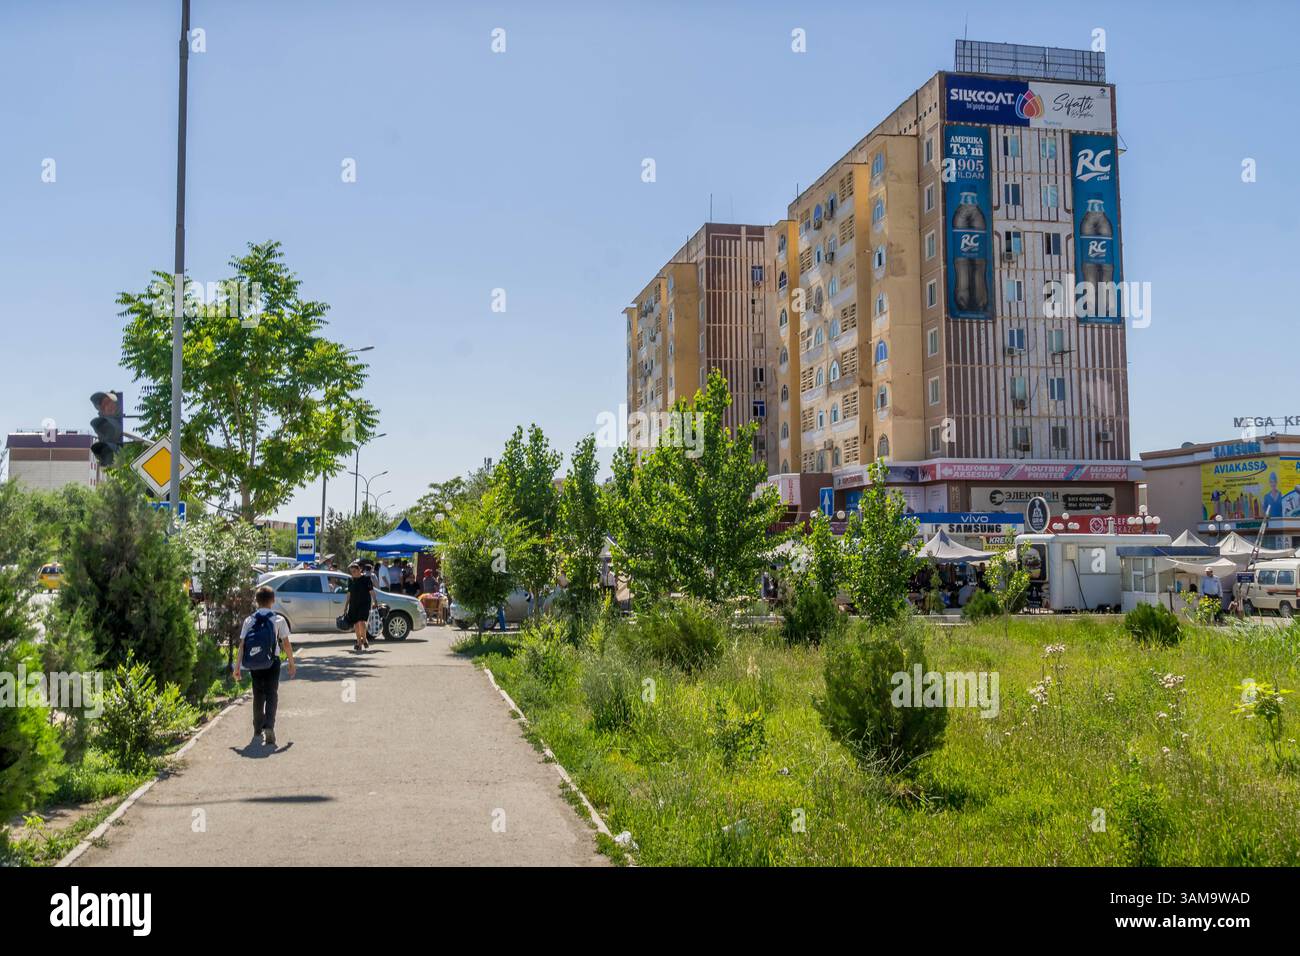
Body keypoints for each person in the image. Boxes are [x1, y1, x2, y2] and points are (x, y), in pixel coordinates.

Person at [233, 585, 296, 747]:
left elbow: (242, 645)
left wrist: (237, 667)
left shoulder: (249, 620)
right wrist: (291, 663)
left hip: (254, 662)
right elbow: (286, 644)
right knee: (271, 694)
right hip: (272, 662)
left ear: (256, 601)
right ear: (273, 601)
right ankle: (269, 726)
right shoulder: (278, 619)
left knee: (258, 694)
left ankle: (257, 728)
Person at [344, 561, 374, 652]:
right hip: (353, 604)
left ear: (359, 570)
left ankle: (364, 639)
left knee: (362, 622)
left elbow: (371, 591)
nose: (352, 573)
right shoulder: (350, 580)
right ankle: (358, 642)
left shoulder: (366, 579)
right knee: (356, 623)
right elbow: (349, 593)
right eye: (351, 571)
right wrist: (346, 605)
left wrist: (375, 601)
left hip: (364, 603)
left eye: (354, 571)